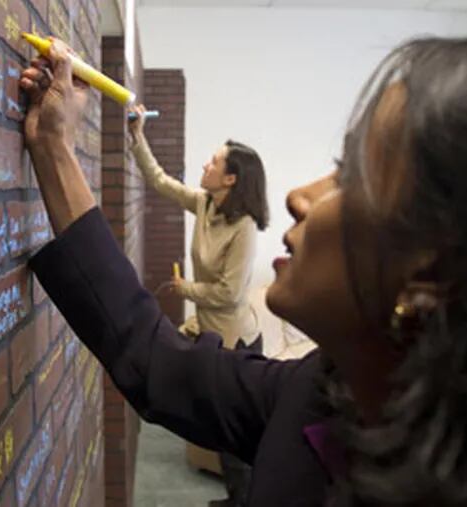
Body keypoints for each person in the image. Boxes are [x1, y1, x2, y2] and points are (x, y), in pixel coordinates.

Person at [20, 36, 467, 506]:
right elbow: (155, 362)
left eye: (353, 172)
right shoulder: (324, 394)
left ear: (439, 269)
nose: (300, 196)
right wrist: (53, 145)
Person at [127, 104, 269, 506]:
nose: (206, 165)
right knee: (221, 430)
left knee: (234, 436)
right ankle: (236, 498)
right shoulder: (206, 203)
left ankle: (244, 500)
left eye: (214, 161)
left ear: (231, 178)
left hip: (235, 341)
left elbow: (230, 294)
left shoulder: (244, 227)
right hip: (207, 331)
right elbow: (159, 181)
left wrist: (184, 288)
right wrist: (137, 136)